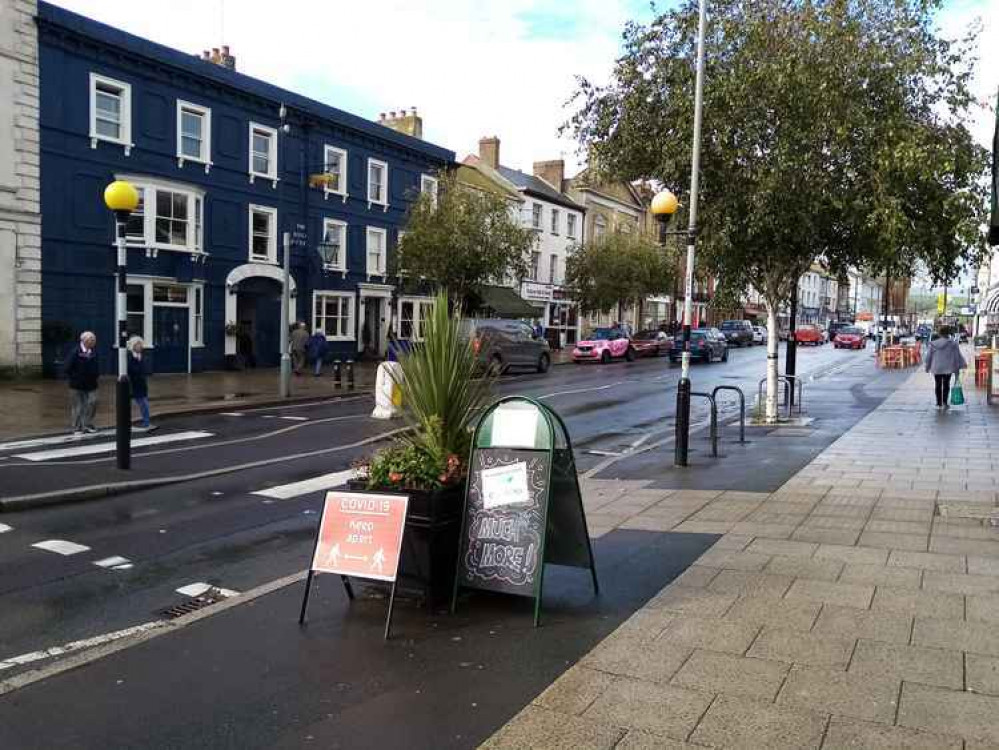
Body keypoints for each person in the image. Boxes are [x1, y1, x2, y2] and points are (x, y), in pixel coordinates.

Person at [65, 331, 99, 435]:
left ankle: (87, 423)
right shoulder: (75, 352)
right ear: (84, 341)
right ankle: (77, 427)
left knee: (93, 402)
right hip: (77, 384)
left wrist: (96, 374)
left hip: (92, 383)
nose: (93, 342)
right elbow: (67, 367)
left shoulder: (94, 352)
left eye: (94, 340)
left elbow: (96, 366)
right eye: (91, 340)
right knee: (78, 406)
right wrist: (75, 377)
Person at [925, 326, 966, 410]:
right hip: (948, 367)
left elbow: (928, 357)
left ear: (940, 333)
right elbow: (957, 356)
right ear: (948, 333)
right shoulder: (953, 344)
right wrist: (960, 366)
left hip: (937, 367)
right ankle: (945, 402)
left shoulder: (933, 344)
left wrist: (927, 367)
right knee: (946, 384)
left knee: (938, 384)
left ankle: (938, 403)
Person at [127, 337, 155, 430]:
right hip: (132, 383)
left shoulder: (141, 356)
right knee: (132, 404)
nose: (141, 346)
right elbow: (131, 369)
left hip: (141, 383)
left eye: (141, 344)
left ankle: (146, 422)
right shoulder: (129, 356)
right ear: (133, 346)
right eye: (138, 344)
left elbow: (143, 369)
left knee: (144, 403)